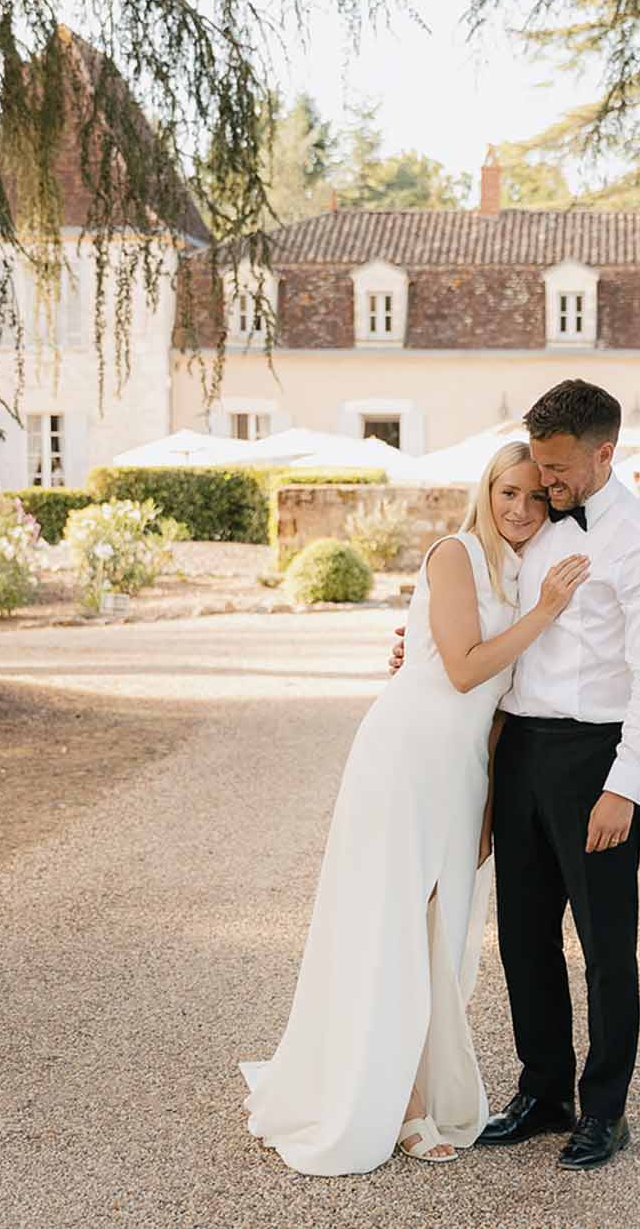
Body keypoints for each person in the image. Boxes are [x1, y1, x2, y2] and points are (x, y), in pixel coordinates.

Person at [240, 441, 591, 1176]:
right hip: (403, 756)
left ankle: (416, 1091)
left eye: (535, 497)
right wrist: (548, 614)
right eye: (508, 493)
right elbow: (464, 670)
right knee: (392, 920)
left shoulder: (524, 572)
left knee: (442, 931)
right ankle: (396, 1110)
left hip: (459, 772)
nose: (522, 509)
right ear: (485, 492)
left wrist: (490, 808)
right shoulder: (454, 554)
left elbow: (502, 710)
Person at [391, 378, 640, 1171]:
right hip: (517, 748)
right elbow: (480, 610)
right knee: (522, 936)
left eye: (559, 472)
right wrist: (414, 643)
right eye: (540, 473)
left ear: (605, 454)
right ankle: (544, 1091)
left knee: (604, 944)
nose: (547, 487)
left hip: (596, 758)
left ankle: (605, 1113)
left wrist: (625, 785)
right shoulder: (534, 531)